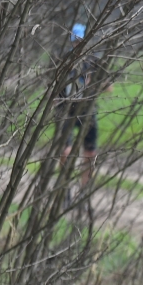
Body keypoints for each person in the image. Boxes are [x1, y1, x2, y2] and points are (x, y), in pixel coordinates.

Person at [58, 23, 112, 187]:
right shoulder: (66, 60)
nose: (78, 44)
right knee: (69, 151)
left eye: (79, 41)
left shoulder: (91, 62)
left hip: (82, 111)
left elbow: (108, 87)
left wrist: (95, 84)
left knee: (88, 152)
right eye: (76, 41)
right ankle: (67, 188)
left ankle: (81, 188)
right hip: (70, 111)